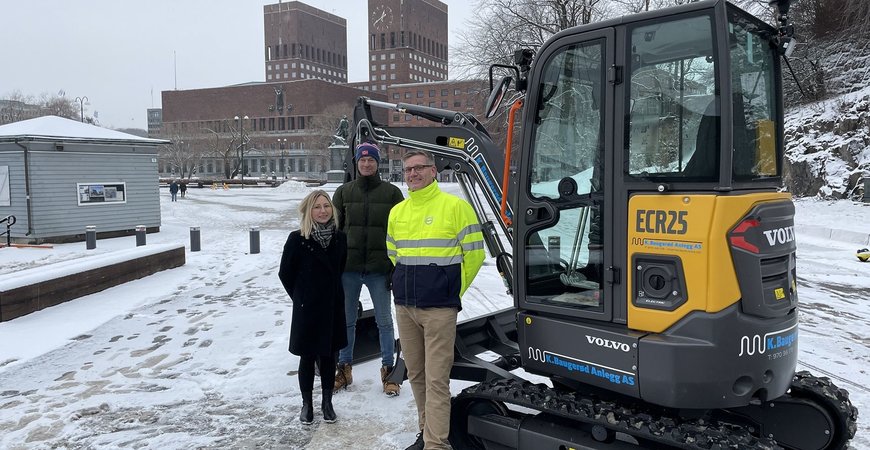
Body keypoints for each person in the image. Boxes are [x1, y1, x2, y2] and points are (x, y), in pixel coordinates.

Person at [387, 150, 486, 450]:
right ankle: (425, 432)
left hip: (439, 310)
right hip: (405, 307)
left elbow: (475, 254)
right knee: (416, 373)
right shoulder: (398, 212)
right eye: (408, 170)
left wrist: (450, 291)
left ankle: (436, 445)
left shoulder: (455, 207)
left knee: (436, 379)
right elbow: (394, 254)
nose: (413, 174)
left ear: (433, 171)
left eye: (419, 168)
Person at [331, 142, 404, 396]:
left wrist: (396, 266)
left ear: (377, 163)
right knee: (346, 321)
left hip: (379, 268)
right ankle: (344, 368)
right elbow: (335, 230)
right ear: (356, 163)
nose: (366, 164)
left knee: (384, 321)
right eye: (362, 160)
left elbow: (401, 233)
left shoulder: (392, 193)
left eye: (371, 160)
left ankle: (388, 371)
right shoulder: (343, 192)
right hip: (348, 269)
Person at [278, 190, 348, 425]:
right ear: (309, 211)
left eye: (326, 206)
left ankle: (327, 403)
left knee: (329, 357)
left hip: (332, 306)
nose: (322, 211)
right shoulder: (297, 239)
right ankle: (306, 404)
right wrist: (301, 297)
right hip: (307, 308)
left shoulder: (340, 238)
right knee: (307, 357)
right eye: (317, 207)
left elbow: (340, 269)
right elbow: (285, 273)